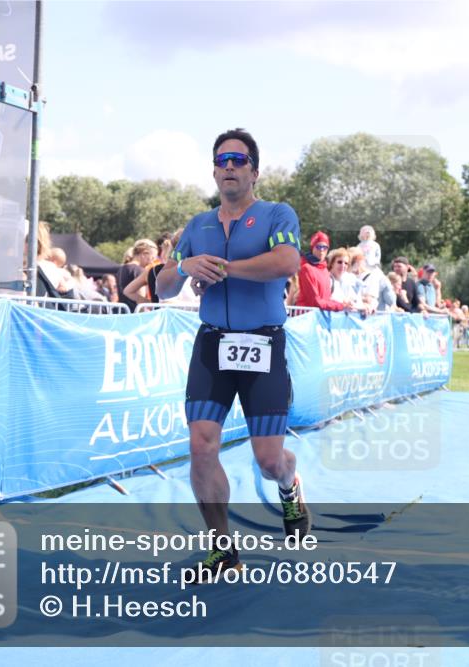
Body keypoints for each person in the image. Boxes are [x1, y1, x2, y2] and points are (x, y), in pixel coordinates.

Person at [156, 128, 309, 580]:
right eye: (221, 160)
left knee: (268, 461)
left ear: (254, 172)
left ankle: (289, 484)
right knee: (201, 445)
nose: (228, 167)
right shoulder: (197, 225)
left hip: (262, 343)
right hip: (212, 343)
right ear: (213, 170)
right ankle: (222, 549)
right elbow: (163, 287)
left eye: (238, 160)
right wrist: (184, 266)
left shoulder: (276, 213)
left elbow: (286, 263)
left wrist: (222, 268)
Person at [296, 231, 350, 311]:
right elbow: (315, 302)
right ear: (312, 247)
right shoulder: (306, 268)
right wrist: (340, 306)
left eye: (325, 247)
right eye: (318, 247)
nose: (321, 250)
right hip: (306, 317)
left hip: (319, 317)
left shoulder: (325, 269)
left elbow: (326, 300)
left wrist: (345, 304)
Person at [117, 239, 158, 312]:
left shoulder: (121, 268)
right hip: (134, 314)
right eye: (152, 258)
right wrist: (152, 305)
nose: (152, 262)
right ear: (144, 253)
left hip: (121, 312)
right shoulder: (140, 271)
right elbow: (140, 299)